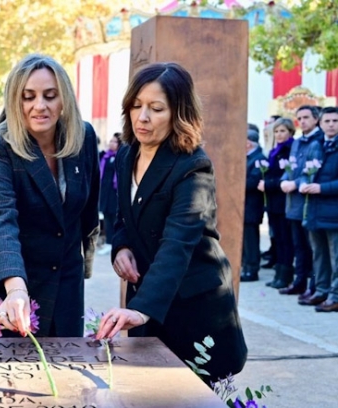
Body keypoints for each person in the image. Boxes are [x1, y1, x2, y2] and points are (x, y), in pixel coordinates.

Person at [94, 62, 247, 383]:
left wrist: (141, 308)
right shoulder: (126, 156)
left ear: (178, 113)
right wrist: (120, 245)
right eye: (136, 106)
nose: (143, 117)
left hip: (194, 306)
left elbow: (177, 244)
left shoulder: (193, 166)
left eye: (156, 108)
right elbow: (125, 215)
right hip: (148, 299)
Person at [0, 54, 100, 338]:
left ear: (64, 100)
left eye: (50, 96)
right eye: (28, 97)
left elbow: (88, 206)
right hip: (9, 279)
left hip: (65, 280)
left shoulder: (83, 136)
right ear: (15, 100)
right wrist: (15, 288)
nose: (40, 106)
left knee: (63, 373)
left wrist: (86, 261)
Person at [282, 105, 325, 304]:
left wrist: (296, 183)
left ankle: (314, 286)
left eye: (306, 117)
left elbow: (314, 170)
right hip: (293, 202)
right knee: (298, 245)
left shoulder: (319, 141)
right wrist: (284, 179)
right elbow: (290, 166)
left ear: (316, 119)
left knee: (312, 247)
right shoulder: (298, 142)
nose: (303, 121)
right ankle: (299, 281)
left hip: (308, 201)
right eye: (299, 118)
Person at [300, 106, 338, 311]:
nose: (331, 124)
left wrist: (321, 188)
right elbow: (303, 171)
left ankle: (335, 295)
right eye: (327, 121)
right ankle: (321, 291)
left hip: (334, 213)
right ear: (320, 123)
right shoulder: (316, 145)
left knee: (336, 257)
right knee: (319, 255)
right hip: (314, 210)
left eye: (335, 121)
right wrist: (303, 182)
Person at [258, 118, 295, 289]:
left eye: (282, 131)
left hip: (283, 200)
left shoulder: (290, 149)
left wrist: (268, 184)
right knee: (277, 238)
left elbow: (286, 177)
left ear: (290, 132)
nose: (279, 135)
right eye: (277, 131)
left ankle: (285, 275)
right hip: (273, 201)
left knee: (285, 239)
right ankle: (279, 274)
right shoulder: (274, 151)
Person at [241, 127, 268, 282]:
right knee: (246, 240)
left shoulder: (258, 159)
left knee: (251, 241)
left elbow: (253, 181)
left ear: (249, 143)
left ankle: (252, 269)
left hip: (252, 206)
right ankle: (247, 267)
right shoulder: (249, 158)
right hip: (246, 207)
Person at [97, 133, 122, 255]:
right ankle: (108, 243)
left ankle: (114, 243)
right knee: (107, 217)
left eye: (114, 141)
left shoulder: (121, 157)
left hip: (115, 192)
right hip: (105, 192)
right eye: (110, 141)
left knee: (114, 218)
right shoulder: (105, 156)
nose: (111, 143)